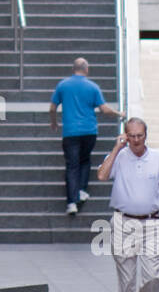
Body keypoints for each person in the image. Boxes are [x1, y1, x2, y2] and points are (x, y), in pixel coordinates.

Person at [97, 118, 159, 292]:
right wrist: (116, 148)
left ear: (146, 135)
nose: (136, 140)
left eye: (140, 135)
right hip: (124, 222)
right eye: (131, 135)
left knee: (152, 276)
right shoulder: (119, 157)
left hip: (152, 223)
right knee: (127, 280)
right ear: (125, 135)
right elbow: (102, 175)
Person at [49, 58, 122, 215]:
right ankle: (81, 190)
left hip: (70, 132)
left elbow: (52, 108)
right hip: (89, 131)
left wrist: (54, 123)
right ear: (86, 69)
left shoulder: (63, 85)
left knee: (72, 165)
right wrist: (119, 114)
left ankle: (71, 203)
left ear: (73, 68)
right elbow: (104, 110)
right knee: (85, 160)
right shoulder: (93, 87)